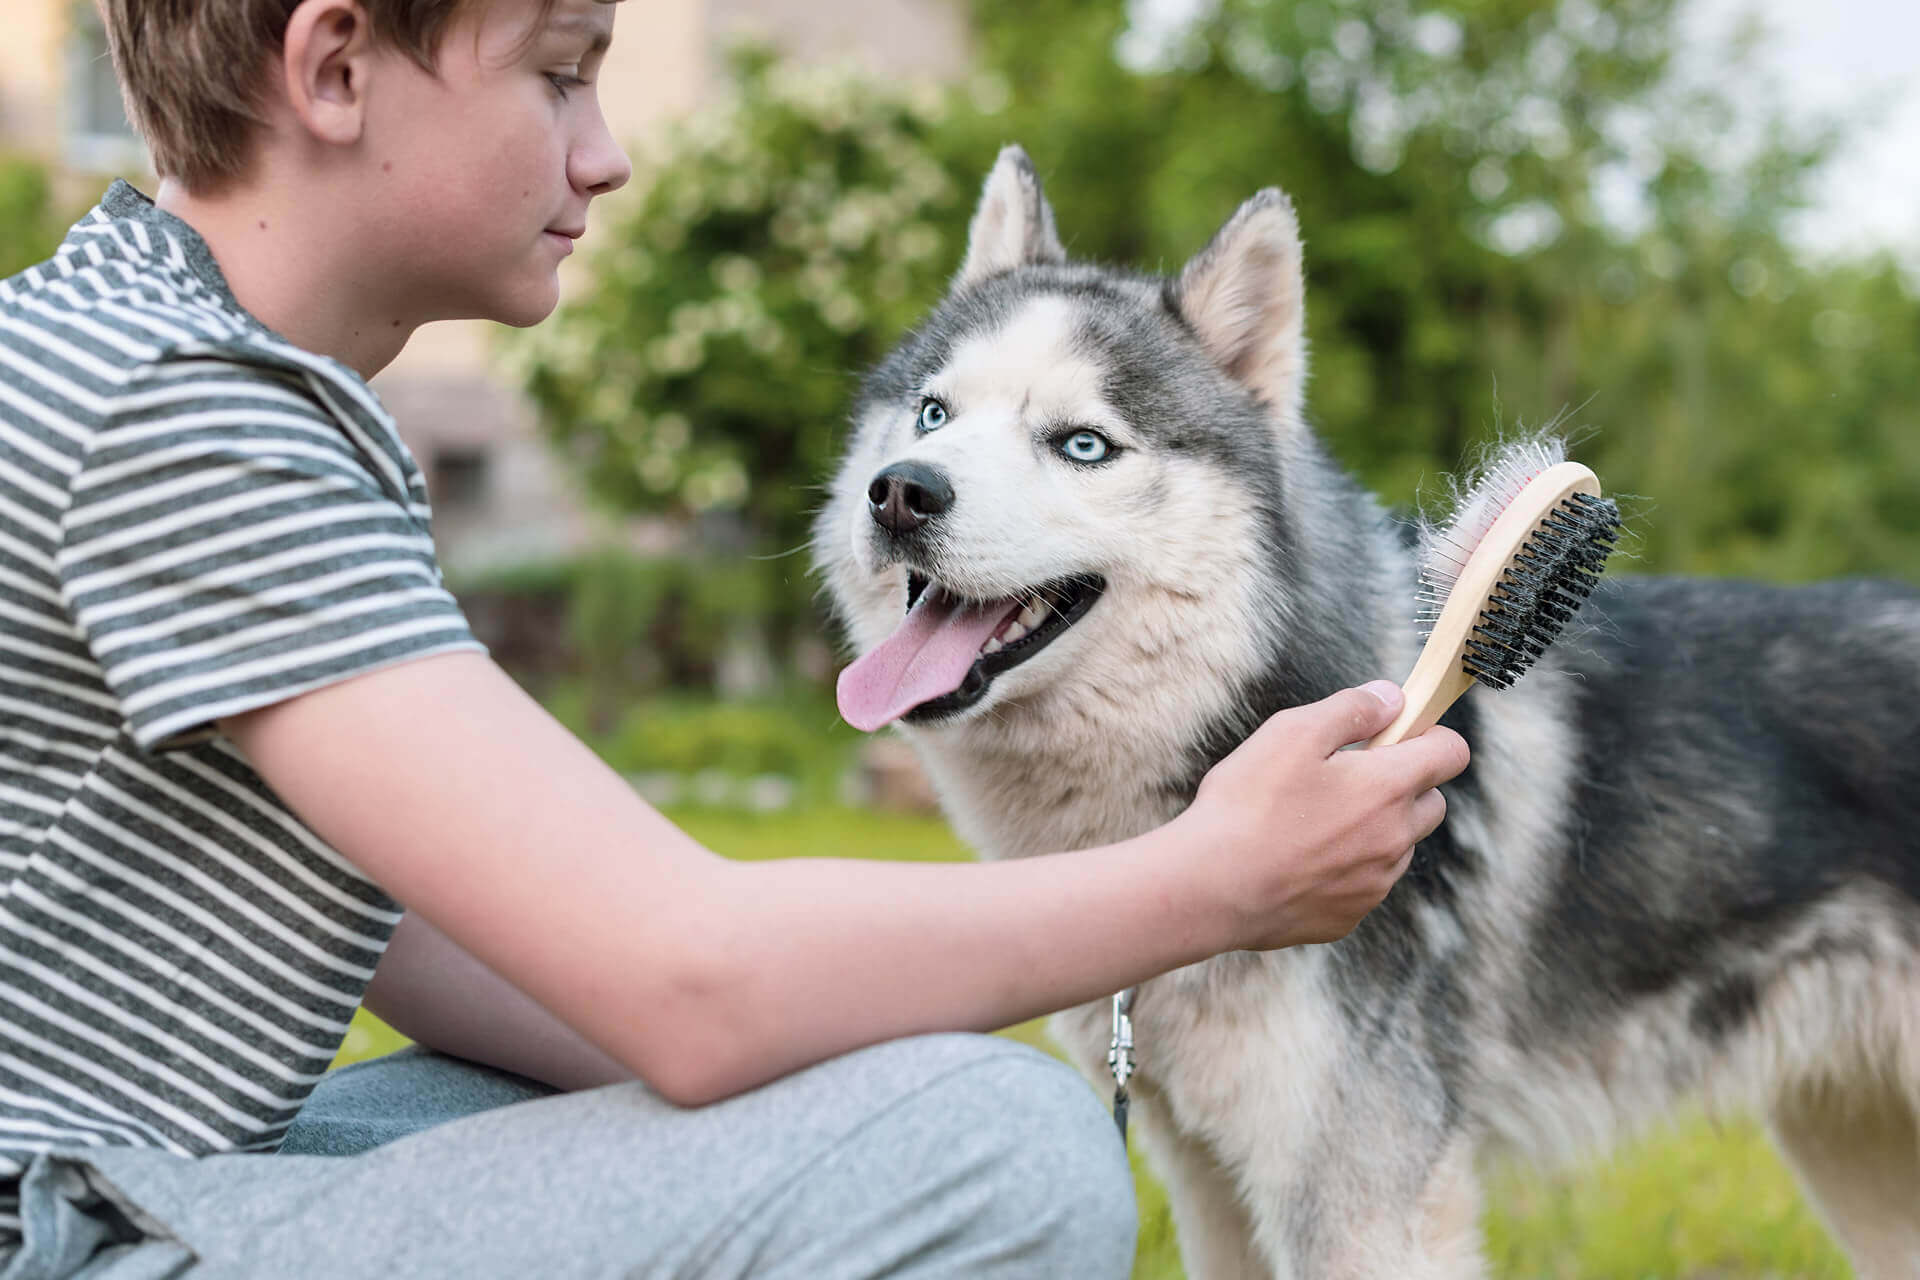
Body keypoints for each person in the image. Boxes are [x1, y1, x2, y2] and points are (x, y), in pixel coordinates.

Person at [0, 0, 1471, 1275]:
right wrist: (1212, 880)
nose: (606, 149)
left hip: (121, 1182)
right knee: (985, 1143)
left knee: (883, 1071)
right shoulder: (184, 418)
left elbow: (453, 947)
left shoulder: (145, 352)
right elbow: (688, 982)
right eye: (561, 73)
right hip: (51, 1228)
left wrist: (842, 1046)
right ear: (333, 70)